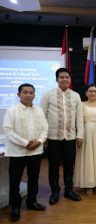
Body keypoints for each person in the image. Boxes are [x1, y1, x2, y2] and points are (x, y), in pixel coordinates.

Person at [3, 83, 48, 222]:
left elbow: (45, 128)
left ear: (34, 95)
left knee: (34, 179)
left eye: (31, 93)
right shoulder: (11, 111)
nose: (28, 95)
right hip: (18, 152)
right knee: (15, 181)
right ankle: (15, 207)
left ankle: (32, 202)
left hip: (35, 151)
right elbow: (8, 131)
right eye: (25, 92)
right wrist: (25, 143)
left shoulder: (39, 110)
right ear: (18, 94)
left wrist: (39, 141)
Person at [41, 68, 83, 205]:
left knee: (69, 165)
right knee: (53, 166)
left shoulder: (76, 96)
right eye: (61, 77)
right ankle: (55, 192)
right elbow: (43, 116)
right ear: (56, 80)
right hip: (53, 137)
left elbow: (79, 118)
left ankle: (69, 190)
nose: (64, 79)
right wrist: (44, 136)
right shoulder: (48, 95)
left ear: (70, 80)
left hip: (70, 137)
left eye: (67, 77)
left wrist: (80, 134)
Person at [74, 85, 96, 195]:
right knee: (87, 157)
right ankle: (88, 183)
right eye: (90, 91)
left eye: (94, 91)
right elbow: (78, 121)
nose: (92, 93)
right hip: (85, 132)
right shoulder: (81, 105)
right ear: (86, 93)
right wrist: (79, 136)